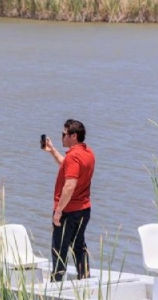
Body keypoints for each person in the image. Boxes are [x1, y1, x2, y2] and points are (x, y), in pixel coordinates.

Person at [42, 119, 95, 282]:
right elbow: (66, 165)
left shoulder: (74, 157)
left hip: (68, 211)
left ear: (73, 136)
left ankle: (56, 286)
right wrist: (52, 150)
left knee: (59, 250)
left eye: (64, 134)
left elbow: (70, 185)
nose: (61, 137)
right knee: (79, 246)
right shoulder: (88, 153)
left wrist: (58, 211)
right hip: (84, 209)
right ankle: (84, 280)